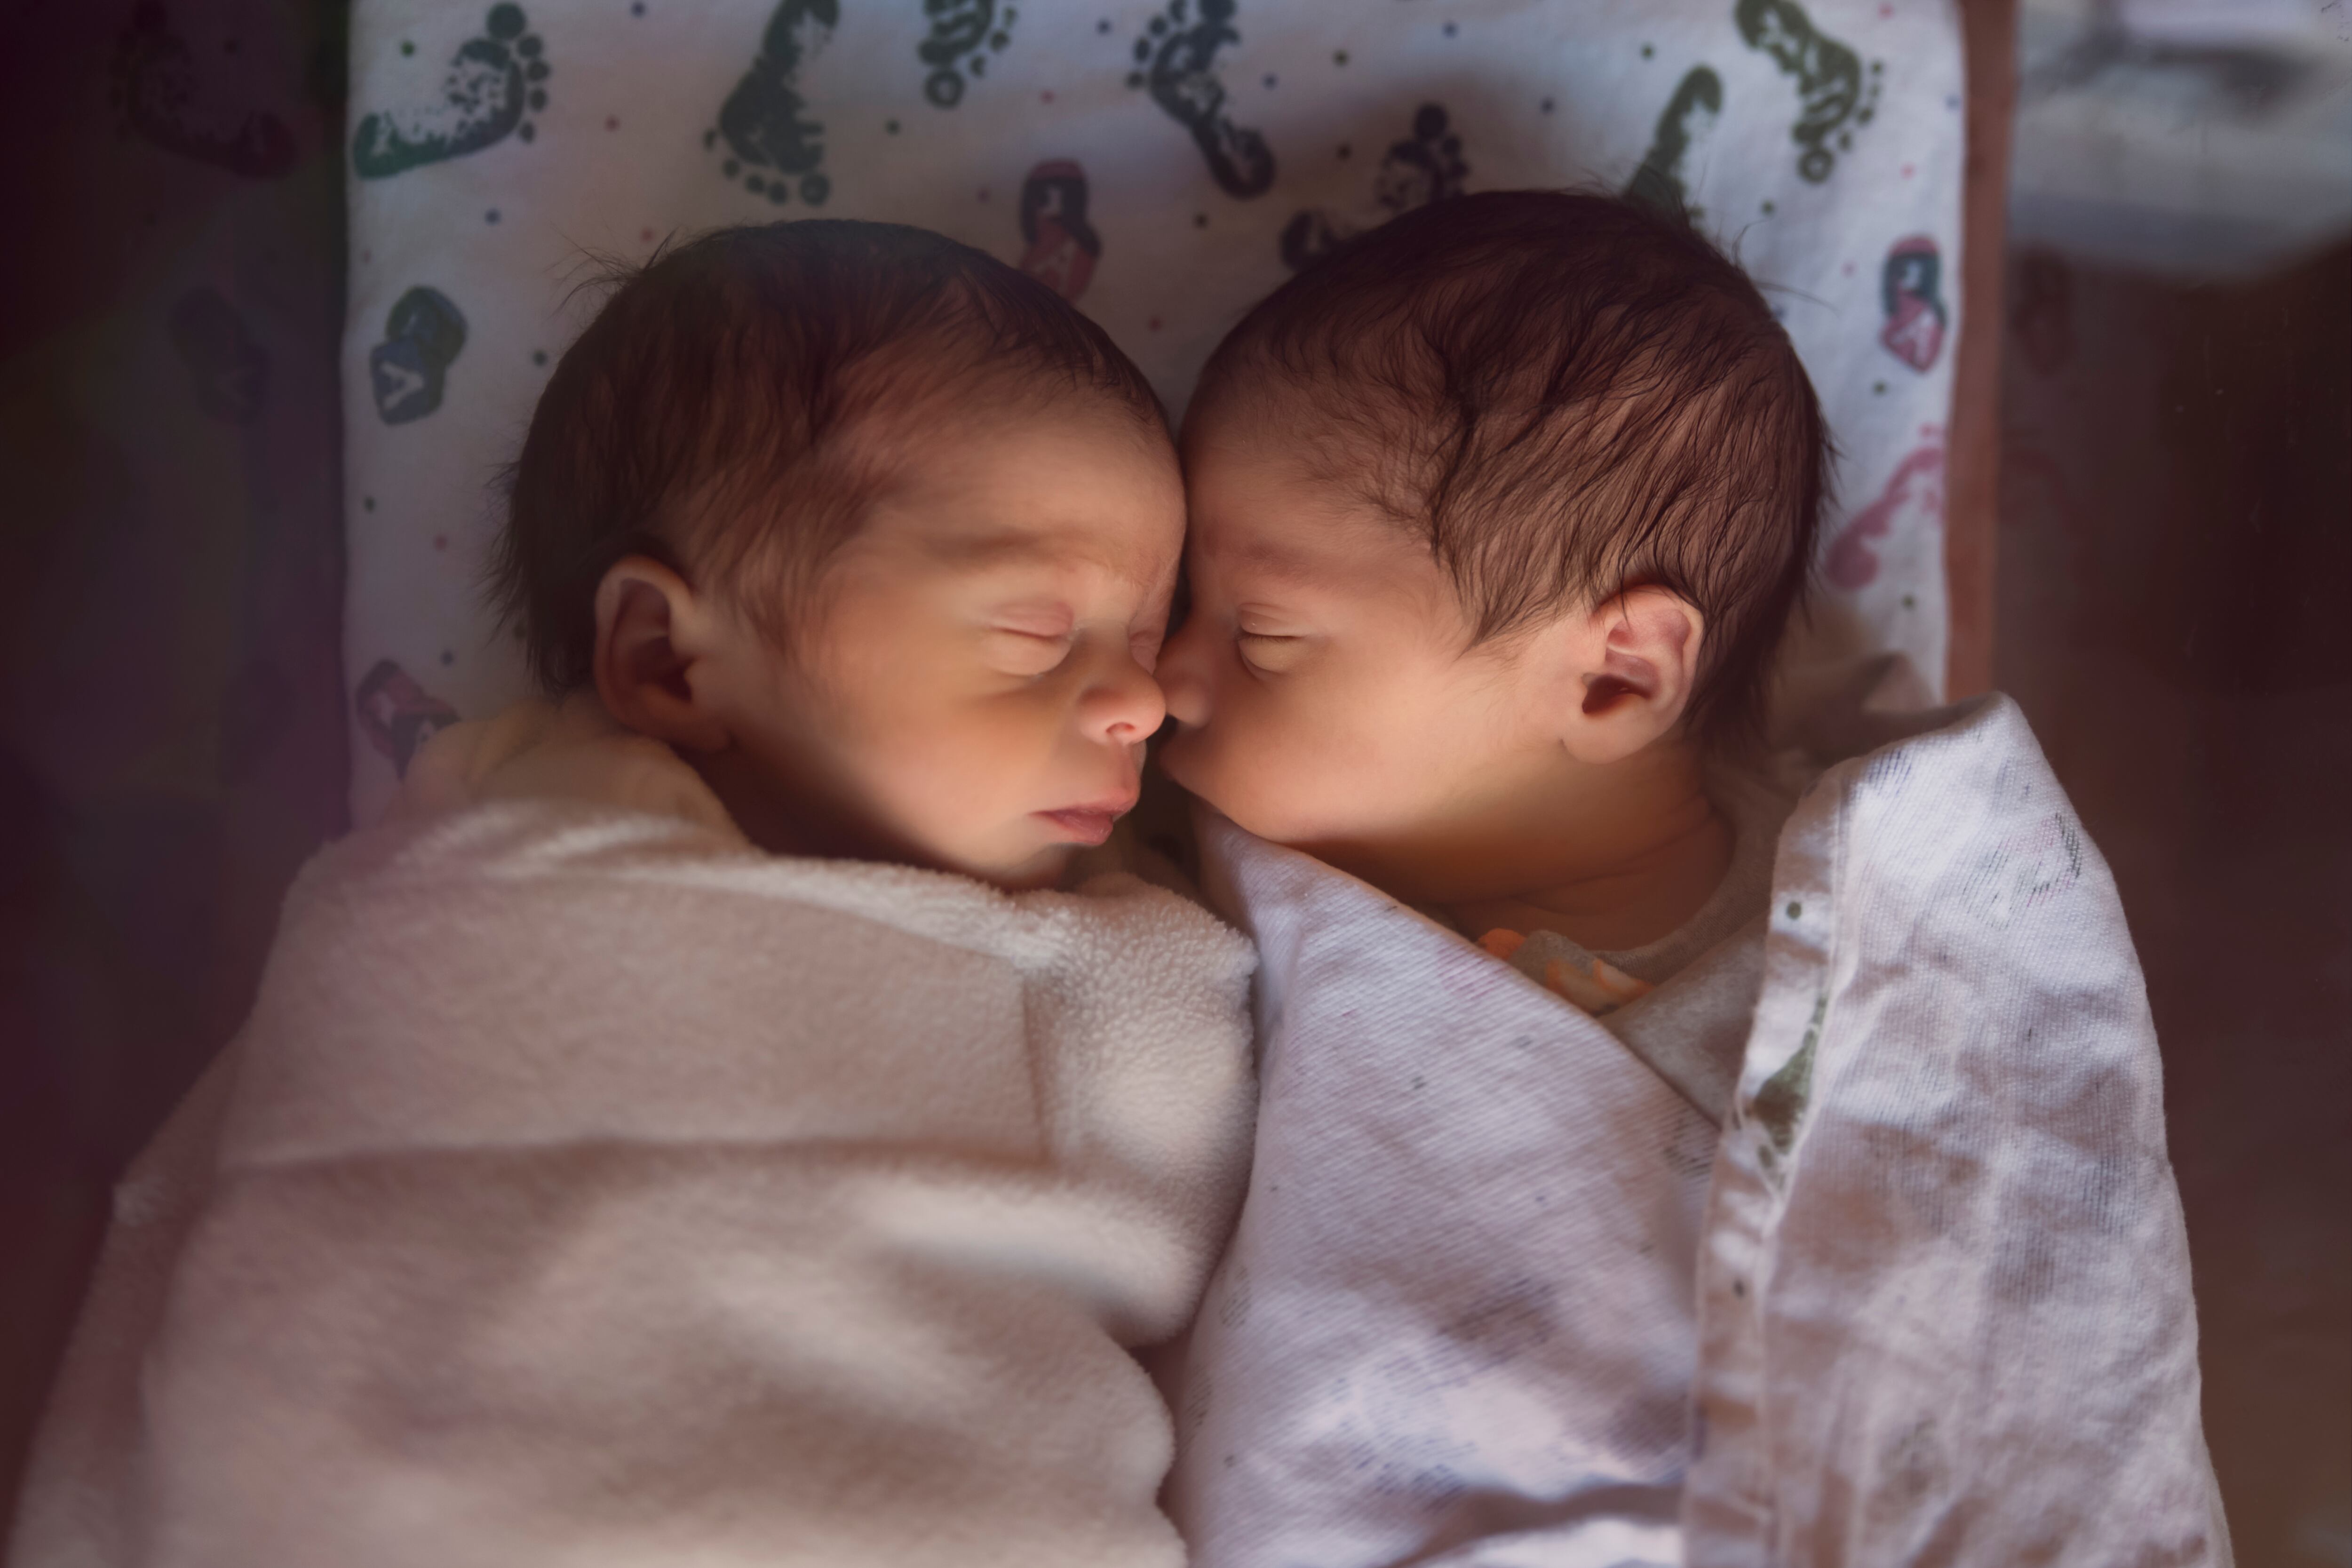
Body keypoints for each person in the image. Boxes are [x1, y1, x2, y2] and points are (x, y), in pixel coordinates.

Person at [10, 221, 1256, 1568]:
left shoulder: (1116, 942)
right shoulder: (491, 883)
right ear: (664, 658)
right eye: (1034, 632)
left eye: (1146, 638)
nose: (1143, 703)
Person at [1151, 191, 2228, 1566]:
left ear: (1615, 678)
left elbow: (2015, 1284)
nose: (1166, 675)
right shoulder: (1205, 898)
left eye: (1261, 634)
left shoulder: (1891, 927)